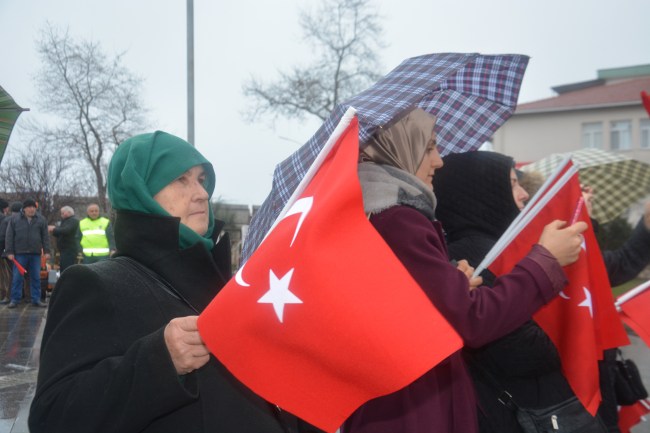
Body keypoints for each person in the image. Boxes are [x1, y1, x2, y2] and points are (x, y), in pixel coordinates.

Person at [29, 131, 321, 433]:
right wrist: (159, 361)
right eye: (181, 179)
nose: (201, 194)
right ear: (140, 191)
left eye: (201, 180)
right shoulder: (95, 284)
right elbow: (52, 417)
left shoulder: (229, 286)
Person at [341, 108, 587, 433]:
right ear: (400, 148)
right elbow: (472, 321)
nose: (439, 161)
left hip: (401, 401)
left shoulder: (376, 213)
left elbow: (405, 310)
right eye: (428, 147)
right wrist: (546, 262)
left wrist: (452, 286)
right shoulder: (399, 219)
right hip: (416, 407)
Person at [433, 150, 605, 433]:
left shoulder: (498, 245)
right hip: (535, 412)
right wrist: (574, 328)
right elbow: (522, 351)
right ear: (484, 192)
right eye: (512, 183)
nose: (524, 193)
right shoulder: (472, 255)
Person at [4, 199, 51, 308]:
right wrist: (9, 251)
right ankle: (15, 300)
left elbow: (45, 237)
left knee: (36, 277)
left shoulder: (41, 220)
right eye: (29, 207)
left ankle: (36, 299)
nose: (31, 209)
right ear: (24, 209)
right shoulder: (15, 219)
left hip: (35, 254)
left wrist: (47, 251)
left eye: (33, 207)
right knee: (17, 277)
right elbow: (9, 236)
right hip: (19, 253)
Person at [48, 206, 80, 273]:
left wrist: (54, 229)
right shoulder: (65, 221)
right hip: (63, 250)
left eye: (62, 213)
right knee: (63, 267)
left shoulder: (73, 221)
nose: (61, 214)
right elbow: (60, 233)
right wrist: (53, 231)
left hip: (69, 249)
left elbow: (66, 231)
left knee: (67, 268)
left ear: (69, 212)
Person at [0, 198, 11, 304]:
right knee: (5, 275)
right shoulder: (4, 219)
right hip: (2, 251)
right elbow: (3, 236)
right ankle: (4, 295)